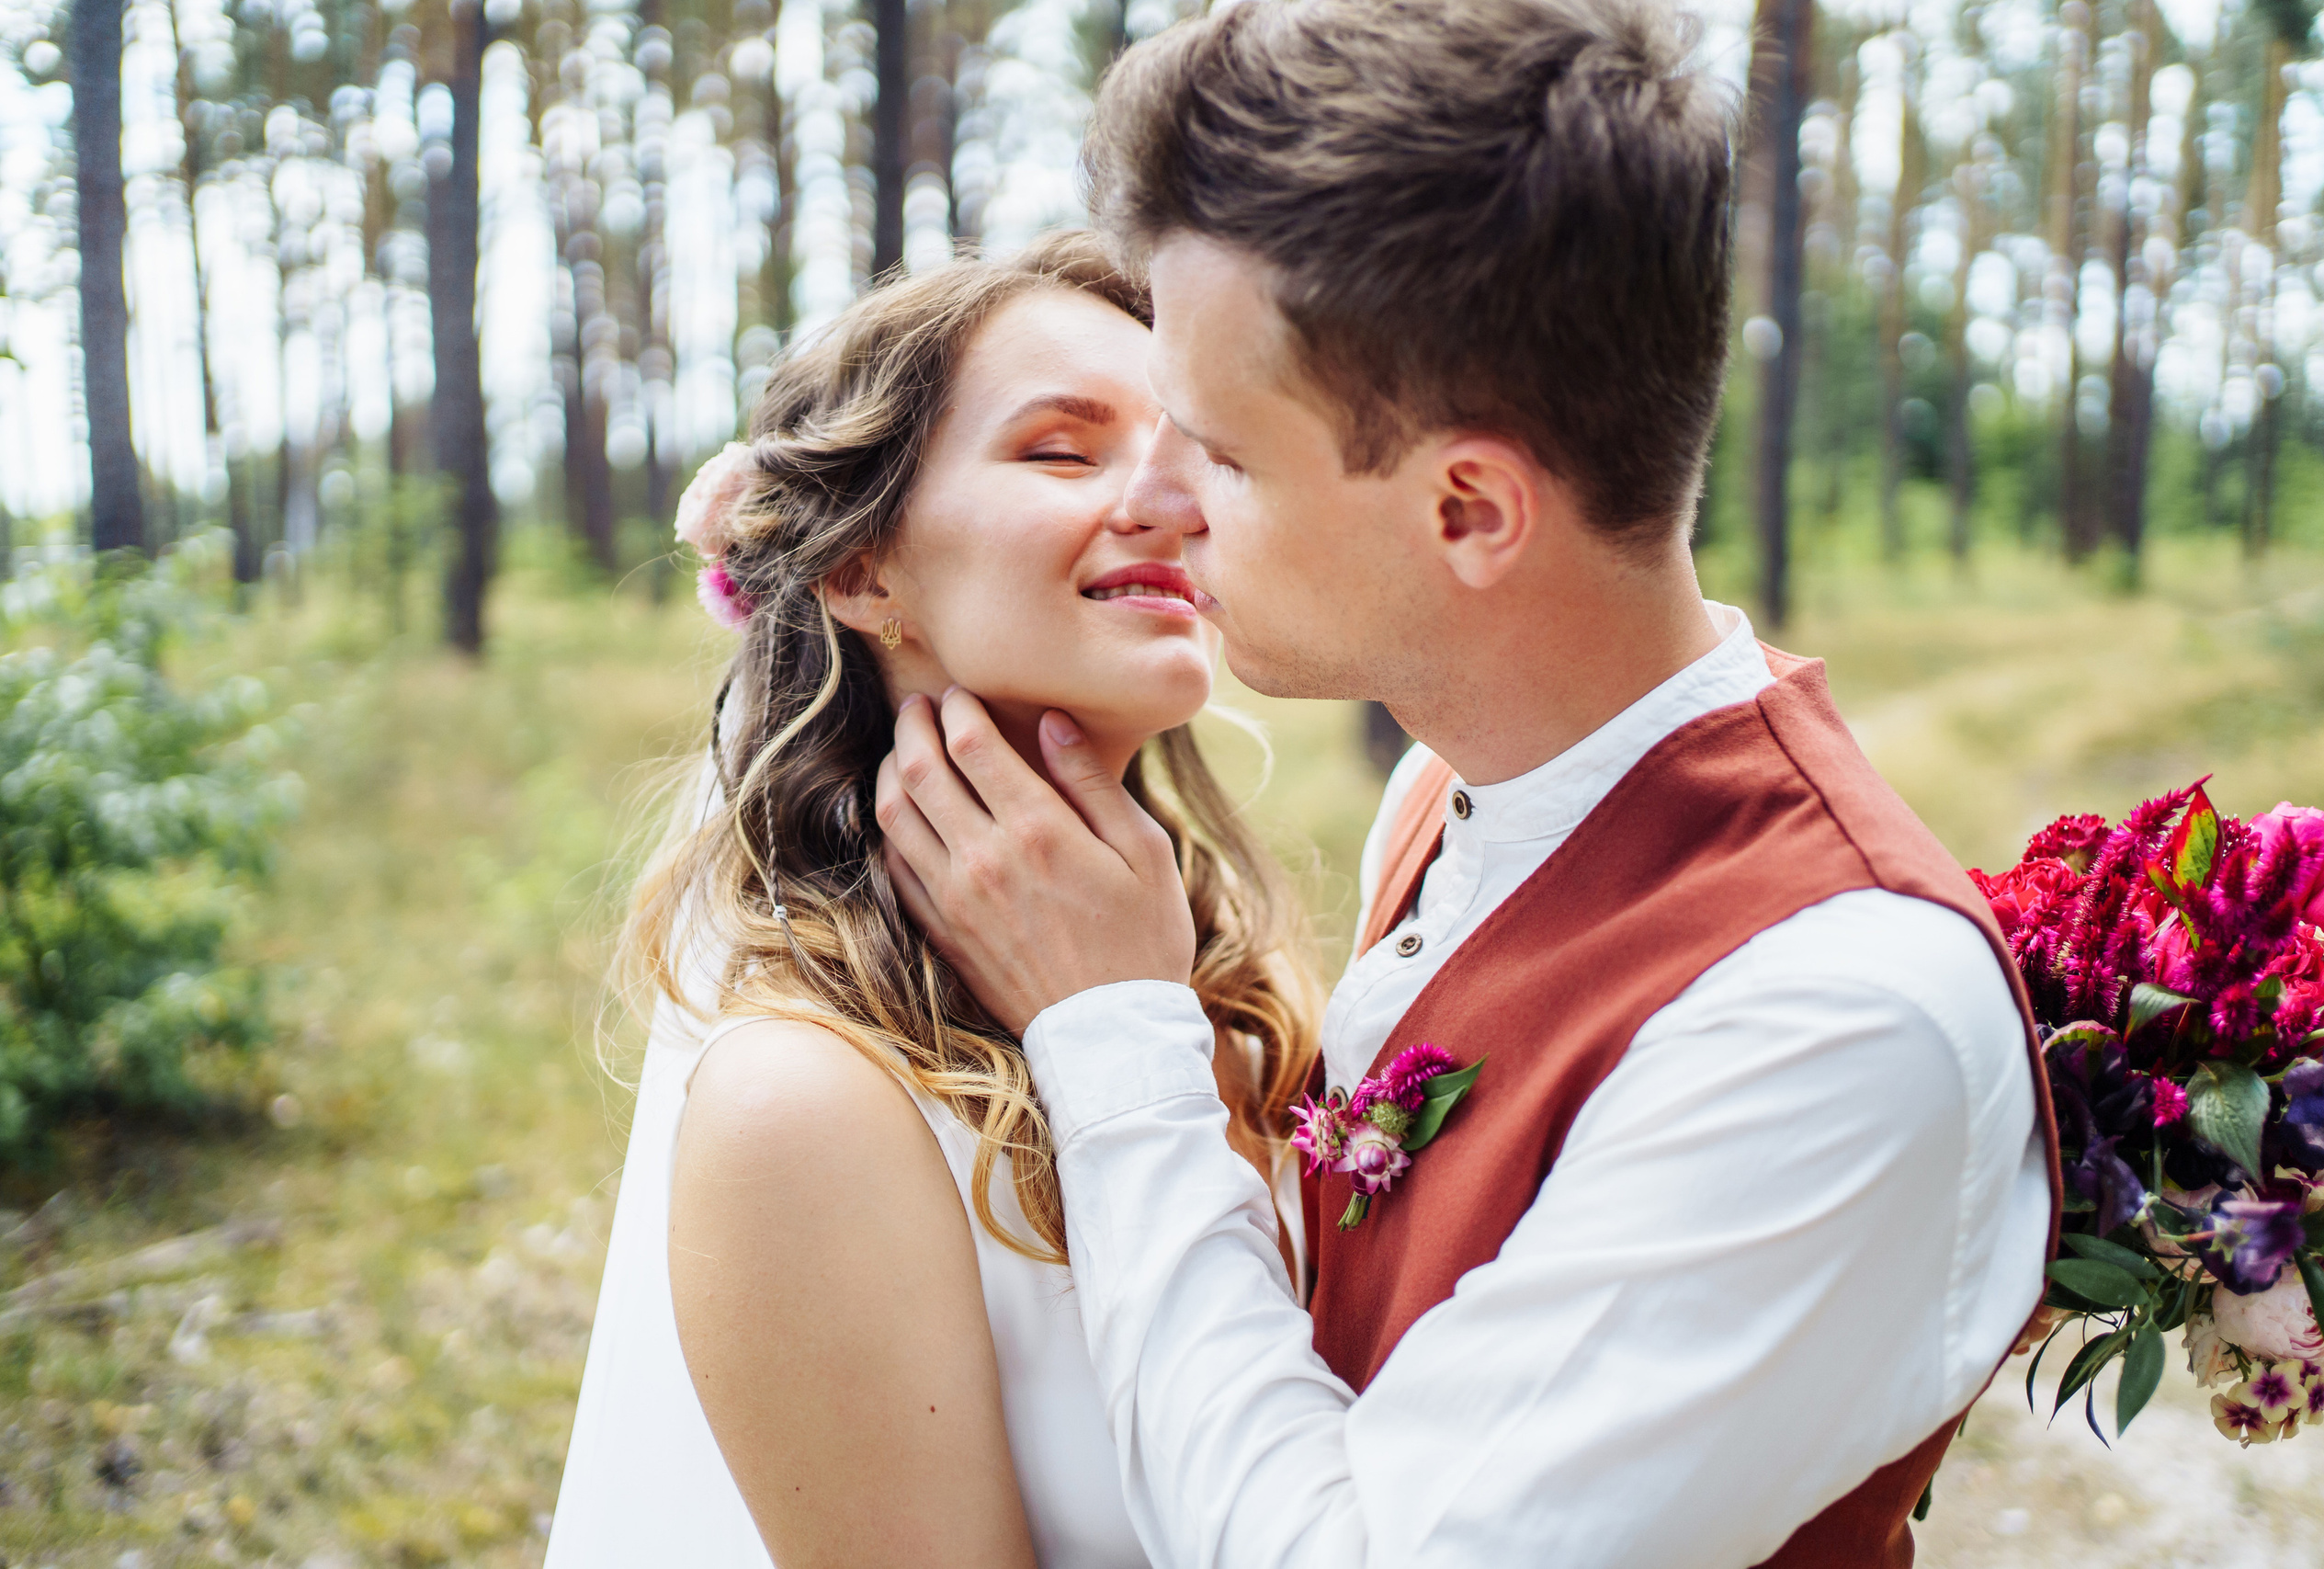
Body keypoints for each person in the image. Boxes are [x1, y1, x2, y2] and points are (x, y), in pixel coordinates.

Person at [873, 2, 2062, 1565]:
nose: (1160, 507)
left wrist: (1115, 1039)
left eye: (1221, 455)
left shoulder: (1837, 1017)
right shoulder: (1451, 794)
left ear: (1469, 510)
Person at [543, 233, 1322, 1569]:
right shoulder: (807, 1102)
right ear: (860, 573)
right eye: (1064, 452)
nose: (1177, 499)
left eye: (1191, 447)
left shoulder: (1242, 996)